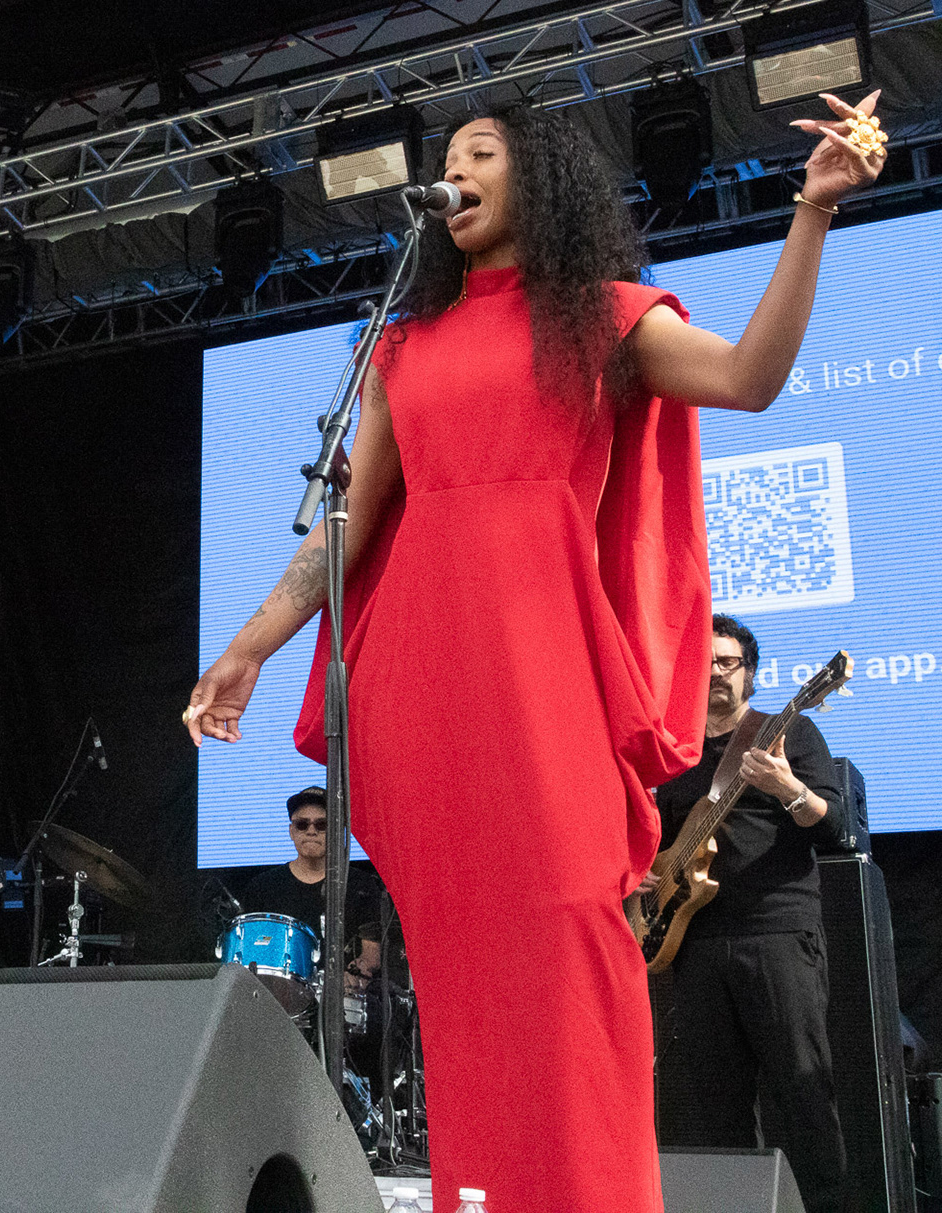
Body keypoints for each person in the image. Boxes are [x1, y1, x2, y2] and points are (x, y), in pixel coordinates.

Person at [184, 92, 886, 1212]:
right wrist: (253, 644)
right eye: (446, 159)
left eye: (479, 154)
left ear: (542, 180)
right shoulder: (405, 348)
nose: (454, 173)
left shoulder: (606, 318)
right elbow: (350, 523)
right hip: (426, 676)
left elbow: (750, 377)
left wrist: (811, 214)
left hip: (546, 672)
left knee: (573, 954)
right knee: (462, 983)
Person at [651, 615, 847, 1212]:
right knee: (711, 1107)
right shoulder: (672, 751)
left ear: (751, 674)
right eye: (704, 664)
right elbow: (651, 834)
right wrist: (647, 871)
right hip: (694, 944)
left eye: (727, 663)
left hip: (776, 935)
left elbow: (836, 826)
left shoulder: (790, 733)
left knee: (802, 1096)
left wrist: (787, 786)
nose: (714, 674)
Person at [236, 786, 384, 941]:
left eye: (322, 825)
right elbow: (249, 950)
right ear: (291, 831)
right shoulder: (262, 887)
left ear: (338, 831)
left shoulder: (361, 886)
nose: (311, 831)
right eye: (302, 824)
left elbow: (371, 956)